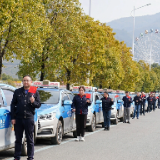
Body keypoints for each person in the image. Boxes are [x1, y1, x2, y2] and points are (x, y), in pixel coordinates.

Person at [11, 75, 41, 160]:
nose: (26, 82)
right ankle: (17, 157)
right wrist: (13, 118)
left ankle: (30, 157)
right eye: (24, 80)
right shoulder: (17, 91)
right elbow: (13, 104)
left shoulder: (34, 92)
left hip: (29, 118)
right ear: (22, 82)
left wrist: (33, 102)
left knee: (30, 139)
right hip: (19, 119)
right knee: (18, 139)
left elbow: (38, 105)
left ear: (31, 82)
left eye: (27, 80)